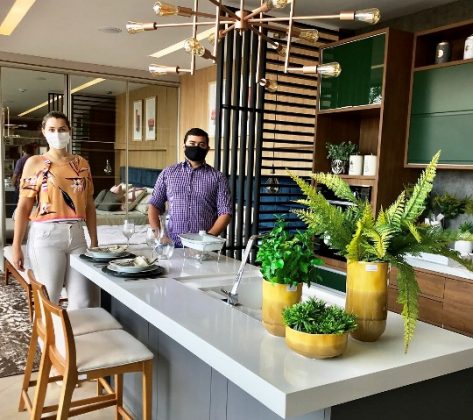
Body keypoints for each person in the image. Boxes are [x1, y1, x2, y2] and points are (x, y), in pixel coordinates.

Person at [11, 111, 98, 309]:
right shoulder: (35, 163)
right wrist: (16, 246)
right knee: (50, 298)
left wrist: (94, 241)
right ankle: (46, 331)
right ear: (44, 132)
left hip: (77, 235)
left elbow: (89, 205)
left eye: (62, 129)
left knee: (83, 301)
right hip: (46, 236)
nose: (57, 134)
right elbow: (24, 207)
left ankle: (74, 331)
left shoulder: (82, 164)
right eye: (52, 129)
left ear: (70, 131)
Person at [148, 127, 232, 247]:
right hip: (172, 244)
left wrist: (207, 239)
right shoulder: (168, 173)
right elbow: (154, 205)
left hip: (203, 246)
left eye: (201, 144)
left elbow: (225, 212)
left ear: (207, 149)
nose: (196, 147)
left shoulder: (218, 177)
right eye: (192, 143)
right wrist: (158, 235)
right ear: (184, 146)